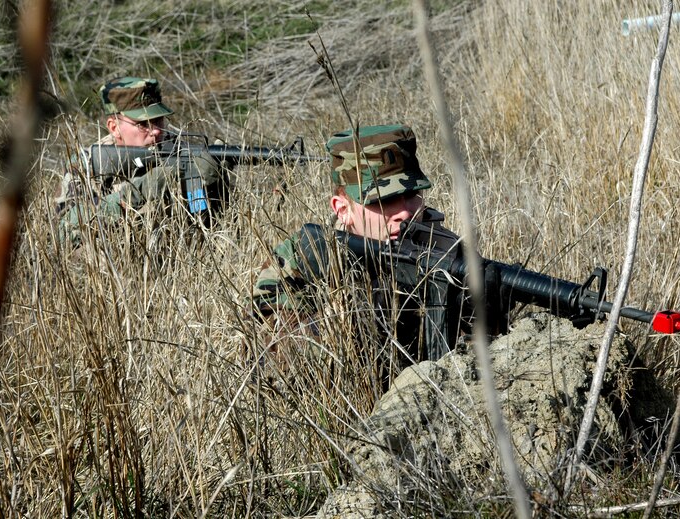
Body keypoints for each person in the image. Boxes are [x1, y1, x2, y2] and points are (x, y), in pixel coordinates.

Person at [251, 124, 469, 383]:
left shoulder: (445, 248)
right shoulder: (305, 256)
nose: (404, 212)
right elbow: (262, 359)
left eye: (411, 194)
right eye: (383, 200)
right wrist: (358, 317)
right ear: (343, 209)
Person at [54, 76, 219, 246]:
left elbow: (212, 226)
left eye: (158, 120)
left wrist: (217, 179)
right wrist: (138, 191)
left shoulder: (182, 151)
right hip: (116, 268)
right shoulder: (88, 164)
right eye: (143, 124)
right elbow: (63, 233)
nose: (155, 131)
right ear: (114, 127)